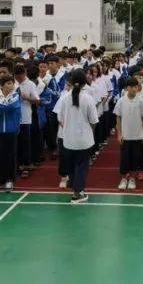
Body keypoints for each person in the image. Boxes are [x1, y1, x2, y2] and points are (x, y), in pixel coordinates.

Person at [54, 69, 98, 203]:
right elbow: (94, 121)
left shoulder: (65, 97)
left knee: (72, 165)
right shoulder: (88, 98)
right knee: (82, 166)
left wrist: (68, 129)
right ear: (85, 82)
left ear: (71, 82)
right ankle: (77, 193)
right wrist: (90, 132)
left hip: (68, 139)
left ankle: (75, 188)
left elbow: (60, 119)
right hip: (84, 139)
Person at [114, 78, 143, 190]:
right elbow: (118, 118)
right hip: (125, 136)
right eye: (132, 87)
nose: (134, 89)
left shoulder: (141, 101)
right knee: (125, 159)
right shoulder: (121, 101)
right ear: (127, 88)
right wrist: (119, 134)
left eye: (136, 86)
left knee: (136, 159)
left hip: (137, 136)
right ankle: (124, 178)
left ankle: (133, 179)